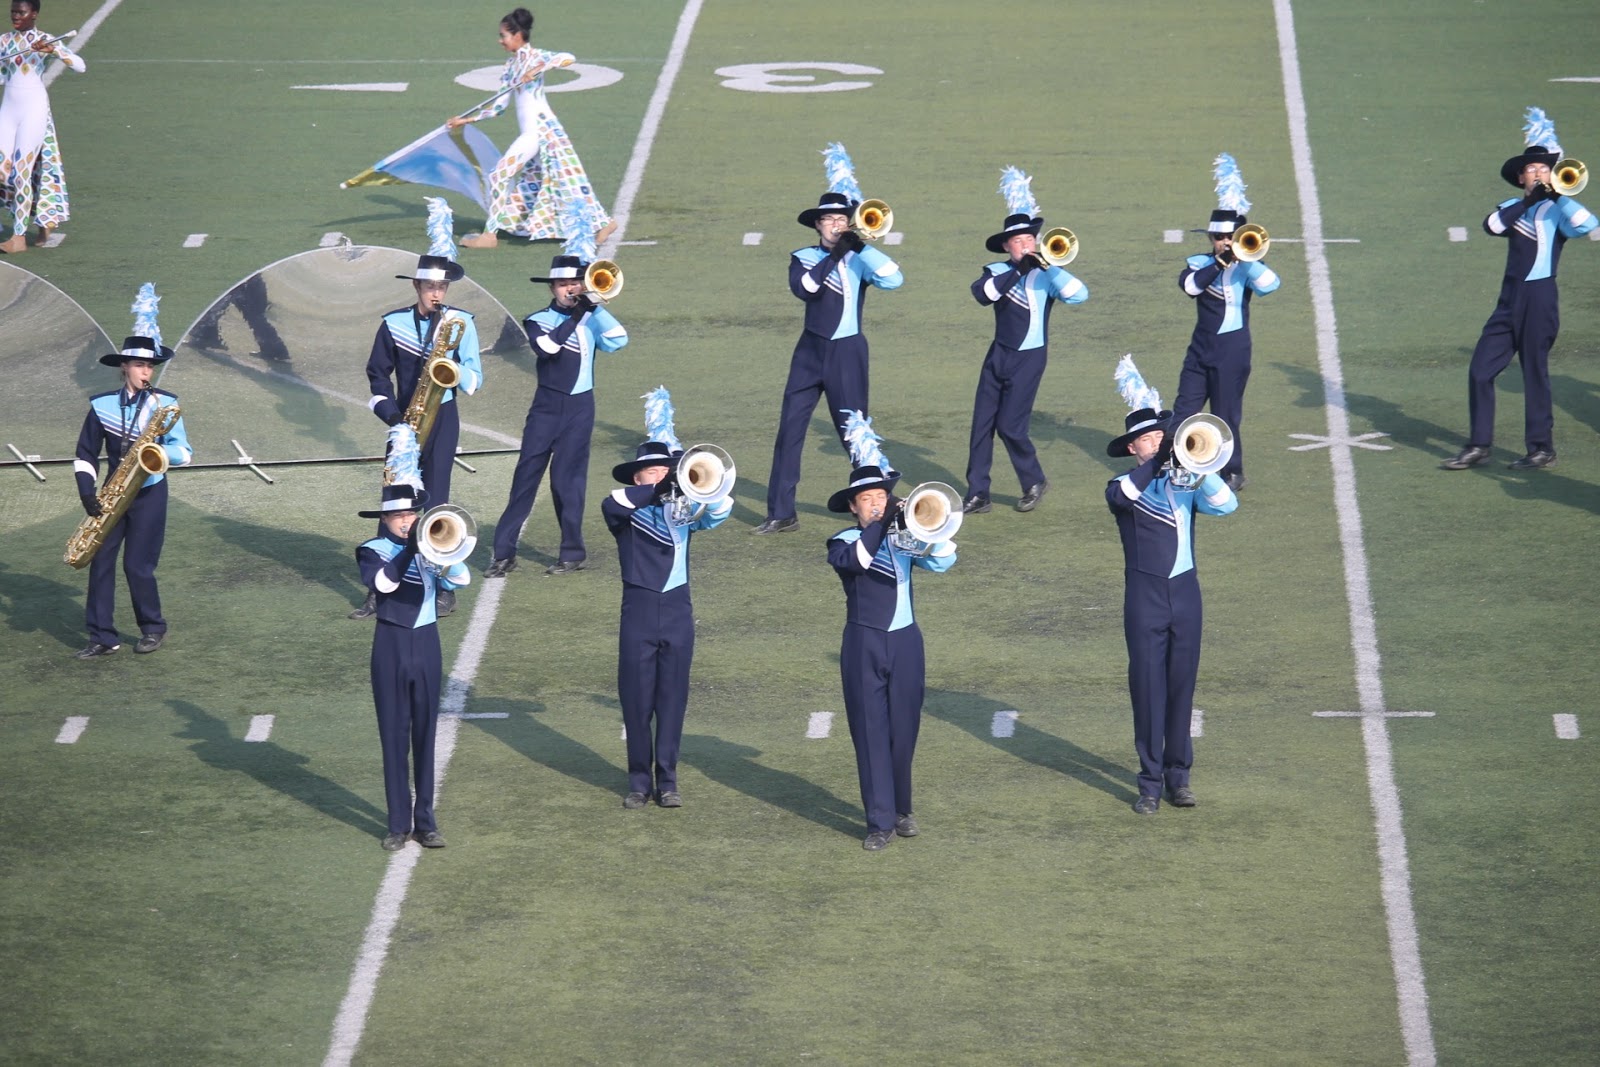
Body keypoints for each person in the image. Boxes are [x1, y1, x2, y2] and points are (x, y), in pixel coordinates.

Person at [756, 150, 904, 535]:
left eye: (841, 219)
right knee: (790, 429)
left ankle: (880, 505)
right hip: (809, 352)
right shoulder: (803, 256)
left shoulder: (860, 258)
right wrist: (835, 254)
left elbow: (893, 279)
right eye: (828, 219)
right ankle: (781, 511)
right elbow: (805, 289)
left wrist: (859, 247)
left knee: (855, 433)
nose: (835, 225)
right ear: (817, 224)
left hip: (848, 352)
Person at [1443, 107, 1596, 472]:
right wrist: (1527, 201)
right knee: (1480, 370)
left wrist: (1556, 196)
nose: (1540, 173)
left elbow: (1589, 223)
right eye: (1533, 169)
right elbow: (1492, 226)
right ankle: (1479, 444)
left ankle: (1541, 448)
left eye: (1546, 169)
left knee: (1535, 373)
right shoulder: (1514, 206)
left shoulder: (1558, 210)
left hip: (1540, 298)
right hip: (1508, 302)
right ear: (1520, 177)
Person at [1105, 407, 1237, 814]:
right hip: (1144, 600)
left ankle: (1179, 778)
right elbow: (1122, 497)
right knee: (1147, 691)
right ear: (1132, 447)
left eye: (1161, 437)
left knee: (1182, 688)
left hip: (1185, 596)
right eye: (1148, 439)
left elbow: (1226, 504)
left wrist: (1198, 463)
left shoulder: (1186, 483)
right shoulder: (1123, 484)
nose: (1157, 443)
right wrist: (1158, 462)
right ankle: (1148, 784)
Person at [356, 207, 482, 619]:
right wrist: (395, 420)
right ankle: (378, 586)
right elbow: (377, 376)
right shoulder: (393, 325)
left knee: (437, 500)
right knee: (394, 503)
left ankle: (442, 583)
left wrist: (453, 368)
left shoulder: (461, 322)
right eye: (429, 286)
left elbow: (474, 380)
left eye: (442, 287)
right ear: (416, 285)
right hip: (404, 423)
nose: (436, 294)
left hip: (443, 418)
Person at [827, 463, 957, 850]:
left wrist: (923, 527)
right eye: (867, 500)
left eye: (881, 498)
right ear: (854, 506)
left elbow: (945, 559)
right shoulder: (843, 539)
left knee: (904, 730)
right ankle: (878, 822)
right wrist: (882, 525)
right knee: (869, 733)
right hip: (862, 643)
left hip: (906, 643)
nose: (876, 505)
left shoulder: (902, 537)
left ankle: (902, 810)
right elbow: (857, 562)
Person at [602, 440, 732, 809]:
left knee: (672, 701)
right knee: (636, 701)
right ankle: (639, 783)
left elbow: (720, 509)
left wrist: (692, 484)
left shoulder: (684, 511)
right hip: (638, 612)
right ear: (637, 476)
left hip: (678, 611)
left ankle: (669, 780)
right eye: (653, 471)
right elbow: (613, 503)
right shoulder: (627, 512)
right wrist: (657, 488)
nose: (662, 476)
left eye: (665, 470)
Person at [485, 251, 628, 577]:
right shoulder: (537, 320)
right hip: (546, 409)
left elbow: (619, 341)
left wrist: (594, 309)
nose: (570, 290)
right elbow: (547, 349)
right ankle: (504, 553)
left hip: (580, 409)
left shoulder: (591, 318)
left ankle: (572, 553)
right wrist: (578, 318)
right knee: (524, 480)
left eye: (575, 284)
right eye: (563, 285)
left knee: (568, 483)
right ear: (552, 288)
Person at [962, 171, 1088, 515]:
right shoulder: (997, 272)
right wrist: (1018, 270)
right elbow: (983, 295)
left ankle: (1033, 480)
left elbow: (1080, 295)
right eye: (1018, 241)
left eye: (1030, 239)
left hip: (1030, 358)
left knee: (1011, 426)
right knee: (982, 424)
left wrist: (1048, 267)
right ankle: (978, 492)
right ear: (1007, 246)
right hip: (998, 354)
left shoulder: (1047, 277)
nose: (1026, 246)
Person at [357, 481, 471, 851]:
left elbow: (462, 578)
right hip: (389, 644)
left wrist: (437, 555)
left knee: (425, 734)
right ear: (385, 519)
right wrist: (407, 552)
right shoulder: (372, 550)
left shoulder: (430, 547)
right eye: (399, 516)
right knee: (393, 736)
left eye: (411, 514)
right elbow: (381, 586)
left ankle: (426, 822)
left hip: (426, 643)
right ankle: (396, 824)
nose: (406, 521)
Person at [448, 7, 613, 249]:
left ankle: (489, 235)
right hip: (532, 132)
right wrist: (466, 120)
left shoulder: (536, 56)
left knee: (500, 174)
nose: (500, 40)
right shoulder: (510, 66)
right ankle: (605, 223)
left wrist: (537, 69)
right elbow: (499, 107)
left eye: (503, 35)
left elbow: (567, 58)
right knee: (565, 180)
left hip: (542, 129)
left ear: (517, 35)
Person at [72, 336, 193, 659]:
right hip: (112, 493)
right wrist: (87, 490)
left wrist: (155, 452)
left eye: (150, 366)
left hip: (150, 491)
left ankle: (153, 628)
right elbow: (85, 454)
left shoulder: (165, 405)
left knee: (138, 566)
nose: (146, 372)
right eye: (140, 365)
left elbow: (185, 452)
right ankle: (102, 637)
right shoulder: (102, 405)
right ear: (124, 367)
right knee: (100, 562)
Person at [1172, 154, 1279, 492]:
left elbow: (1271, 284)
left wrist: (1246, 259)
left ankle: (1232, 471)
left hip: (1232, 350)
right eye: (1218, 238)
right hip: (1199, 349)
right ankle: (1179, 465)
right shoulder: (1199, 263)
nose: (1223, 243)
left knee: (1225, 414)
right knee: (1184, 410)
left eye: (1229, 237)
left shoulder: (1247, 267)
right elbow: (1190, 286)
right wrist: (1219, 263)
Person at [0, 0, 84, 253]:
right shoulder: (4, 41)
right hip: (8, 110)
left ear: (34, 14)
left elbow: (80, 66)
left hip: (34, 111)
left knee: (22, 172)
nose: (16, 16)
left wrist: (54, 51)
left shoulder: (47, 40)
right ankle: (42, 216)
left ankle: (17, 238)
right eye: (14, 11)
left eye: (22, 12)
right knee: (3, 172)